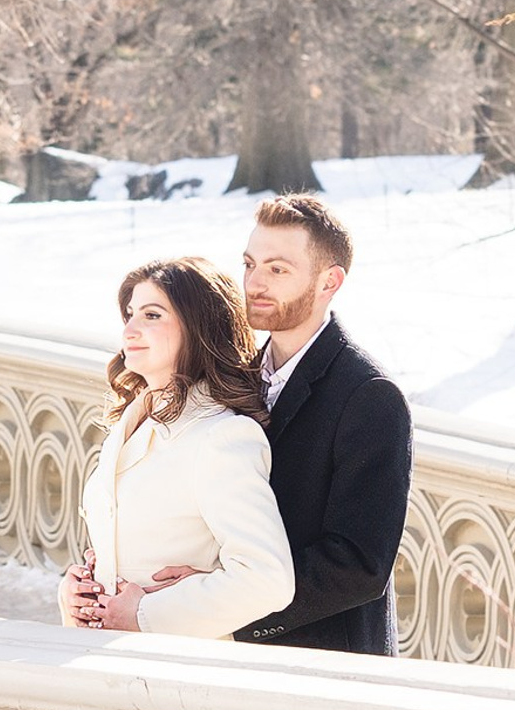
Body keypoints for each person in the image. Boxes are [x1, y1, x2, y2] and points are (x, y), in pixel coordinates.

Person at [60, 258, 294, 638]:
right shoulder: (129, 425)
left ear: (196, 326)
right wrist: (77, 594)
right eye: (130, 314)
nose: (130, 330)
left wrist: (144, 615)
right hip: (104, 654)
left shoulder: (222, 436)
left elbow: (267, 580)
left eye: (152, 315)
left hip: (175, 663)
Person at [233, 192, 414, 657]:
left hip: (326, 665)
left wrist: (228, 611)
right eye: (250, 264)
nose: (255, 283)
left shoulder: (371, 396)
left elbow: (357, 566)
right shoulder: (233, 379)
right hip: (225, 657)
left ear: (329, 281)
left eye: (278, 270)